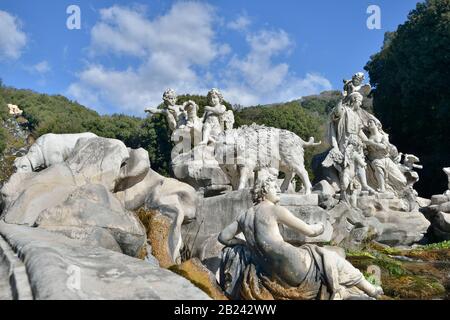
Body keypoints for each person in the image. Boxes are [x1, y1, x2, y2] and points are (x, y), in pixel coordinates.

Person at [218, 173, 384, 300]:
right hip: (297, 270)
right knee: (326, 255)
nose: (278, 190)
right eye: (273, 187)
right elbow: (310, 232)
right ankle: (370, 289)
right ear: (264, 191)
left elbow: (223, 237)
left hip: (271, 274)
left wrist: (245, 244)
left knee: (320, 256)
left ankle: (357, 290)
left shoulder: (244, 215)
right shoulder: (275, 209)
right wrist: (321, 226)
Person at [326, 92, 376, 201]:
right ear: (354, 100)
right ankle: (345, 191)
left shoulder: (356, 115)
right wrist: (342, 98)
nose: (360, 104)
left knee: (361, 164)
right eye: (359, 101)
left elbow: (359, 131)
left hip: (356, 142)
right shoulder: (344, 110)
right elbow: (336, 112)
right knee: (346, 166)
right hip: (345, 141)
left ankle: (364, 185)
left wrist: (369, 142)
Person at [365, 119, 407, 194]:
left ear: (377, 125)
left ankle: (394, 190)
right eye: (368, 123)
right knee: (377, 165)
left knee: (402, 181)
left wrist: (372, 143)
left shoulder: (383, 136)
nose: (369, 124)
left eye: (370, 122)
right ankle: (382, 188)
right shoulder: (367, 138)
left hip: (386, 159)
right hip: (375, 160)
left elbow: (385, 147)